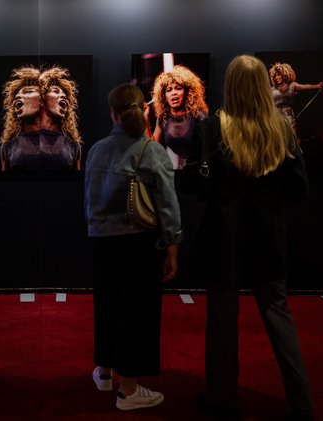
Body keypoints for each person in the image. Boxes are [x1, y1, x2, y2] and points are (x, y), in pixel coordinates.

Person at [187, 55, 314, 420]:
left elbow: (200, 187)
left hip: (223, 239)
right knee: (279, 316)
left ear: (230, 86)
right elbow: (299, 188)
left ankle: (222, 397)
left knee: (222, 321)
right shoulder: (281, 128)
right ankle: (302, 402)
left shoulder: (214, 126)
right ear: (262, 85)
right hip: (269, 238)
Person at [84, 83, 182, 411]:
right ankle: (127, 390)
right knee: (135, 311)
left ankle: (105, 371)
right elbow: (167, 203)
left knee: (107, 306)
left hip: (101, 241)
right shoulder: (150, 150)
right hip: (139, 241)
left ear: (112, 113)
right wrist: (172, 244)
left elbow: (88, 200)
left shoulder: (96, 149)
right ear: (144, 111)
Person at [0, 65, 82, 171]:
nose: (17, 98)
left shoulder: (73, 146)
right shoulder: (8, 146)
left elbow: (76, 185)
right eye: (56, 91)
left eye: (28, 91)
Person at [149, 65, 208, 169]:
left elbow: (208, 148)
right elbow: (152, 147)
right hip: (173, 169)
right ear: (164, 96)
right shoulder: (163, 117)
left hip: (196, 169)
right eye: (169, 90)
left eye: (178, 88)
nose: (173, 93)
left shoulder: (198, 115)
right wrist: (145, 119)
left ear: (187, 92)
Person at [269, 62, 323, 143]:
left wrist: (316, 86)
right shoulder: (271, 89)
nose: (277, 77)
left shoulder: (292, 85)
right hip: (275, 117)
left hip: (288, 115)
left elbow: (304, 86)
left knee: (295, 139)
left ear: (284, 75)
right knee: (277, 139)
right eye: (275, 76)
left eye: (279, 75)